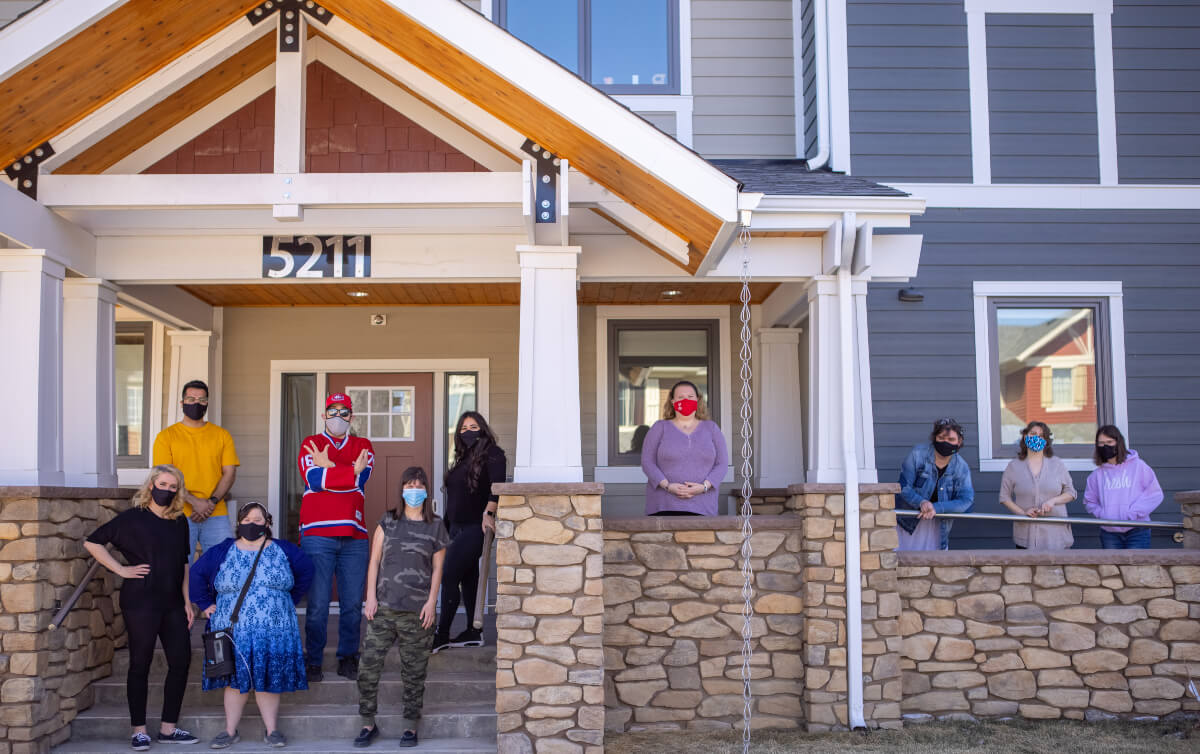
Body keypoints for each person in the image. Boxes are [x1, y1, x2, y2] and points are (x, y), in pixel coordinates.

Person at [83, 465, 197, 751]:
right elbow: (92, 542)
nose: (167, 491)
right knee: (139, 664)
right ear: (151, 485)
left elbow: (184, 563)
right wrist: (120, 569)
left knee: (181, 662)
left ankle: (169, 728)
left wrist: (186, 601)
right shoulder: (132, 519)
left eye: (173, 487)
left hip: (172, 603)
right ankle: (139, 731)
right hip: (140, 602)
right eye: (163, 484)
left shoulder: (179, 521)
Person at [190, 502, 313, 749]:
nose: (252, 524)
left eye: (258, 520)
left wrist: (288, 600)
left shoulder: (284, 549)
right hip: (232, 631)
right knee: (234, 680)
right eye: (246, 520)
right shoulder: (222, 551)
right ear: (238, 524)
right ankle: (229, 730)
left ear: (268, 524)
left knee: (268, 677)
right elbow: (196, 574)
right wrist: (205, 604)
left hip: (274, 630)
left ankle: (272, 730)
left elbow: (307, 571)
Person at [355, 467, 449, 749]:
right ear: (402, 488)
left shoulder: (437, 526)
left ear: (426, 490)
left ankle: (410, 727)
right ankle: (367, 723)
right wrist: (370, 597)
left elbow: (438, 568)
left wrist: (432, 602)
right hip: (383, 609)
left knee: (414, 672)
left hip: (417, 613)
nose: (414, 488)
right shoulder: (388, 521)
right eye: (409, 483)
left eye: (419, 484)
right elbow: (374, 560)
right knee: (368, 667)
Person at [297, 392, 375, 682]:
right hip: (317, 534)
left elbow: (361, 478)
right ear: (324, 415)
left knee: (352, 604)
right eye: (333, 411)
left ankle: (348, 657)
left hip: (354, 536)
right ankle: (313, 660)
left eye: (344, 413)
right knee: (317, 604)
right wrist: (346, 472)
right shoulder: (311, 443)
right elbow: (313, 480)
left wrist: (330, 468)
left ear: (351, 417)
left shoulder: (363, 445)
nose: (338, 417)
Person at [433, 411, 506, 653]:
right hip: (454, 527)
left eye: (473, 426)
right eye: (463, 429)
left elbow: (497, 488)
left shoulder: (493, 454)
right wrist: (443, 529)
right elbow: (454, 498)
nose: (468, 432)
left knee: (449, 575)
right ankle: (473, 633)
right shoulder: (462, 459)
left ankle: (441, 635)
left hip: (477, 526)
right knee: (468, 577)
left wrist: (489, 513)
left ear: (482, 428)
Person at [152, 379, 240, 563]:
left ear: (207, 403)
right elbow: (165, 477)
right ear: (182, 403)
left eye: (201, 400)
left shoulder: (222, 435)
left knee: (223, 566)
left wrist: (211, 502)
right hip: (178, 512)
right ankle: (185, 595)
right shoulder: (166, 437)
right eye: (191, 399)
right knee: (179, 567)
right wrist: (195, 502)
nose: (196, 404)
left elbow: (229, 473)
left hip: (215, 513)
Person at [640, 380, 728, 517]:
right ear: (673, 401)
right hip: (663, 506)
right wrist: (667, 486)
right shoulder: (659, 427)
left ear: (698, 400)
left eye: (690, 397)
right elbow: (647, 462)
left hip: (703, 507)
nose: (686, 400)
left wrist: (704, 487)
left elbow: (722, 464)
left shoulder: (711, 429)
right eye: (680, 397)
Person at [896, 417, 975, 551]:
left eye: (951, 440)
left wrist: (936, 508)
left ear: (959, 442)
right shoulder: (917, 455)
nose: (946, 443)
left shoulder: (961, 467)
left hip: (939, 526)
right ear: (934, 438)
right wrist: (921, 502)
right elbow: (903, 487)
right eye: (941, 438)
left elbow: (966, 500)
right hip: (907, 520)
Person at [998, 421, 1077, 549]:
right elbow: (1004, 497)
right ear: (1025, 436)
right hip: (1026, 536)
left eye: (1041, 436)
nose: (1036, 438)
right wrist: (1023, 513)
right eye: (1033, 434)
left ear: (1046, 440)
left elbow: (1071, 493)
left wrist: (1053, 501)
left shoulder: (1057, 464)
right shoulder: (1013, 466)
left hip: (1056, 536)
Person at [1084, 424, 1164, 549]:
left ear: (1118, 442)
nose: (1105, 446)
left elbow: (1154, 494)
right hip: (1109, 533)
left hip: (1138, 529)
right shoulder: (1096, 475)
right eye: (1101, 443)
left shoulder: (1139, 466)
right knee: (1113, 568)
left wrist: (1133, 513)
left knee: (1136, 568)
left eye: (1109, 442)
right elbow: (1089, 501)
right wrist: (1104, 514)